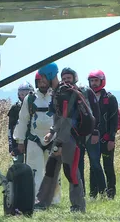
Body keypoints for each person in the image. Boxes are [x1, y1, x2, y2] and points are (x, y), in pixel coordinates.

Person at [34, 62, 86, 213]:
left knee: (71, 172)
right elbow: (58, 118)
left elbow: (67, 120)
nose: (41, 80)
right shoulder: (57, 92)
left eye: (43, 77)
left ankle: (78, 206)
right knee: (51, 168)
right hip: (61, 136)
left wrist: (60, 145)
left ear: (50, 75)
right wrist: (51, 131)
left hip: (69, 138)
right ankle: (42, 202)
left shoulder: (63, 93)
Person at [13, 72, 61, 204]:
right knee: (34, 172)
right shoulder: (30, 98)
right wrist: (20, 141)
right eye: (40, 81)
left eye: (45, 81)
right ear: (36, 83)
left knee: (53, 171)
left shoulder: (56, 97)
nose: (42, 83)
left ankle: (54, 200)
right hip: (34, 139)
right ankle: (35, 199)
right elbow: (23, 120)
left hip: (53, 139)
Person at [60, 67, 106, 199]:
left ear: (75, 78)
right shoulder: (62, 93)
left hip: (90, 133)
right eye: (63, 79)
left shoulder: (86, 91)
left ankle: (102, 193)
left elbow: (96, 111)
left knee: (95, 164)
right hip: (74, 135)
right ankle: (82, 194)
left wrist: (96, 131)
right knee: (77, 166)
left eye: (68, 78)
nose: (66, 81)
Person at [88, 70, 119, 200]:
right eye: (91, 81)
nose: (94, 83)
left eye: (96, 80)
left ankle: (110, 193)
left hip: (107, 139)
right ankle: (93, 194)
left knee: (108, 166)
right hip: (92, 139)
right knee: (93, 166)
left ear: (102, 81)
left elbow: (115, 119)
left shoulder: (110, 98)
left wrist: (111, 138)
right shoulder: (86, 97)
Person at [8, 82, 33, 163]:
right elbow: (10, 128)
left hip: (32, 141)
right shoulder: (15, 108)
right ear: (18, 94)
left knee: (32, 165)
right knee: (18, 166)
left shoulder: (36, 107)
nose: (24, 96)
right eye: (22, 94)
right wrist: (11, 146)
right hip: (17, 142)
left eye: (26, 94)